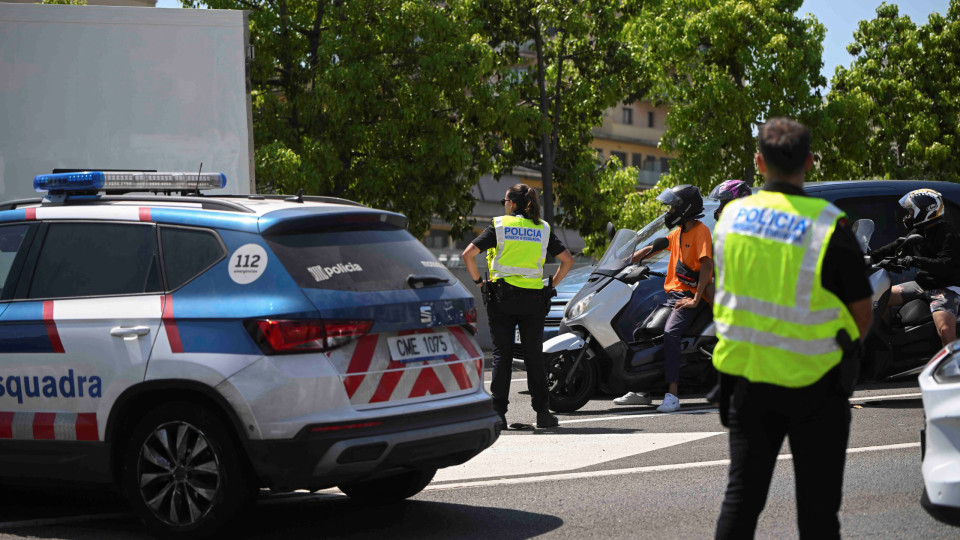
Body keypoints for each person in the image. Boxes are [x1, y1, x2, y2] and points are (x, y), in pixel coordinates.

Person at [712, 117, 873, 539]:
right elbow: (862, 310)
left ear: (758, 162)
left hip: (746, 381)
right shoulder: (828, 223)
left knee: (742, 500)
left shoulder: (730, 218)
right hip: (817, 385)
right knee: (818, 514)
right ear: (810, 161)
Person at [462, 183, 574, 430]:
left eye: (505, 202)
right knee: (534, 356)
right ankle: (543, 414)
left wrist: (480, 282)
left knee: (503, 355)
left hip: (502, 299)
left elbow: (467, 255)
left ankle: (498, 415)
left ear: (512, 204)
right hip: (534, 300)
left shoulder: (501, 225)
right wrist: (550, 285)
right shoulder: (542, 228)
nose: (504, 206)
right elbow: (567, 260)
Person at [612, 184, 713, 413]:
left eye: (673, 207)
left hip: (689, 295)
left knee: (670, 334)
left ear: (686, 208)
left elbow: (707, 265)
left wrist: (696, 299)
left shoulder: (701, 231)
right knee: (642, 332)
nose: (670, 212)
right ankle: (641, 390)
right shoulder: (678, 233)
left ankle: (673, 395)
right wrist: (625, 259)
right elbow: (653, 247)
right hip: (673, 294)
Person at [869, 188, 960, 347]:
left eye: (911, 212)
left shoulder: (947, 234)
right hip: (921, 285)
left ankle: (953, 368)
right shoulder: (919, 230)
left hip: (945, 288)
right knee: (878, 298)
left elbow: (945, 265)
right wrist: (870, 257)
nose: (907, 216)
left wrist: (916, 260)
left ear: (925, 211)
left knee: (946, 332)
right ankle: (887, 346)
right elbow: (897, 245)